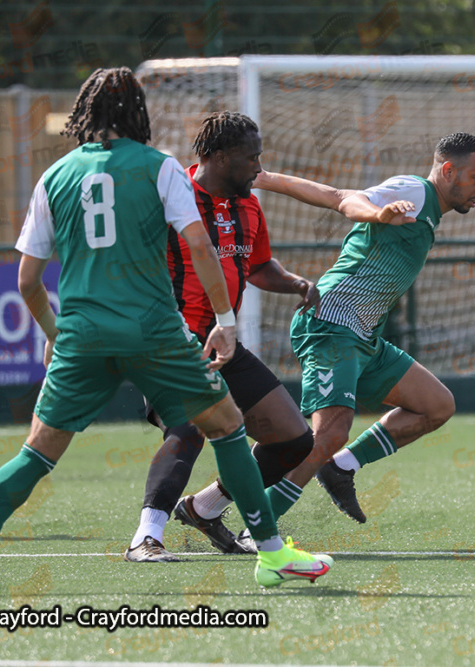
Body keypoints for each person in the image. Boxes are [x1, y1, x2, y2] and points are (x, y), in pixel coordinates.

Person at [0, 68, 332, 595]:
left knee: (36, 453)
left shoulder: (53, 177)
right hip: (154, 331)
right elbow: (199, 246)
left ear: (85, 114)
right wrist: (225, 321)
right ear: (139, 113)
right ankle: (270, 553)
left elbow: (28, 279)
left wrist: (54, 333)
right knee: (226, 425)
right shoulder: (159, 167)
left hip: (82, 337)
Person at [254, 132, 475, 524]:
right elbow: (344, 201)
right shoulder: (414, 191)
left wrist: (264, 179)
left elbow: (335, 192)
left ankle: (341, 467)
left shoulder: (427, 209)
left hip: (363, 336)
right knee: (326, 435)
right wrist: (377, 214)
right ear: (448, 170)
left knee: (437, 406)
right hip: (331, 322)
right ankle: (260, 523)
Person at [124, 111, 321, 562]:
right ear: (216, 157)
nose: (258, 166)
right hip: (169, 342)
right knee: (192, 423)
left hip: (223, 343)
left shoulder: (247, 204)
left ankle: (204, 507)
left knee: (293, 440)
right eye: (251, 157)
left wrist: (295, 283)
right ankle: (145, 536)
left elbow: (256, 266)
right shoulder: (170, 198)